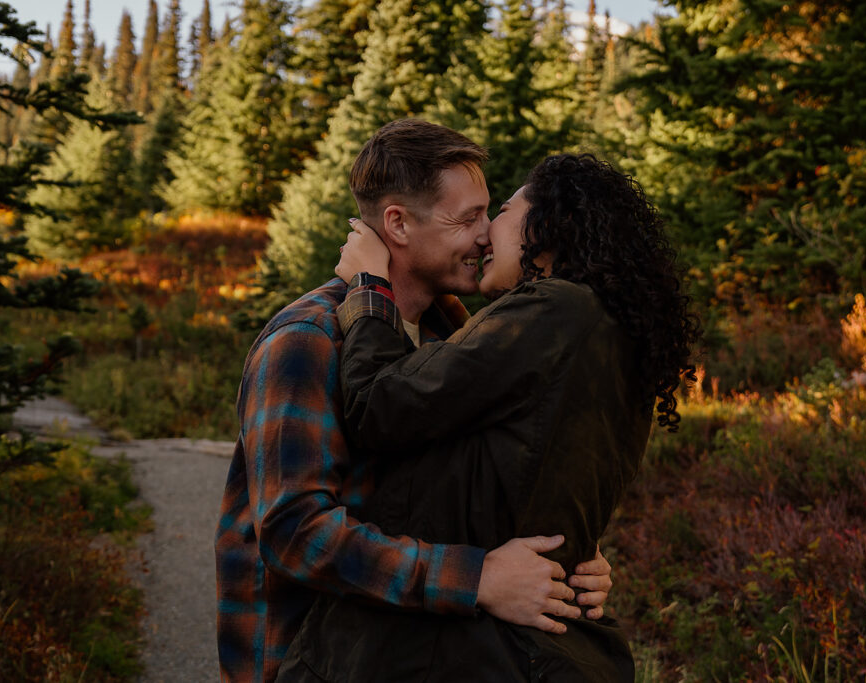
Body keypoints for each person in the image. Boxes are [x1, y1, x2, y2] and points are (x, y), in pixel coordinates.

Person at [215, 121, 614, 683]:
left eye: (488, 213)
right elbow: (295, 533)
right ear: (398, 223)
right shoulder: (306, 340)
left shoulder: (451, 336)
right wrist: (477, 579)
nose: (486, 236)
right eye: (466, 218)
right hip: (304, 656)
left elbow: (472, 488)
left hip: (406, 655)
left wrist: (570, 561)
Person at [280, 153, 699, 681]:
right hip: (529, 647)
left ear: (549, 227)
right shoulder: (612, 332)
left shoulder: (555, 311)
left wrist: (368, 285)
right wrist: (575, 554)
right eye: (469, 218)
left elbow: (375, 406)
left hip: (469, 652)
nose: (484, 234)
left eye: (500, 210)